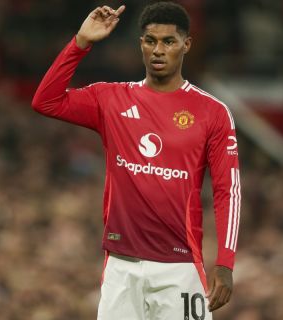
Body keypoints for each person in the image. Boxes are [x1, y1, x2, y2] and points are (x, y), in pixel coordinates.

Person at [32, 2, 241, 319]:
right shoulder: (111, 99)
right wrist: (81, 43)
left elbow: (229, 191)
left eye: (168, 41)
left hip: (180, 268)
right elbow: (46, 101)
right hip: (121, 266)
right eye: (150, 40)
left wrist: (225, 261)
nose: (158, 50)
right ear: (141, 43)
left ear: (186, 44)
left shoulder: (212, 112)